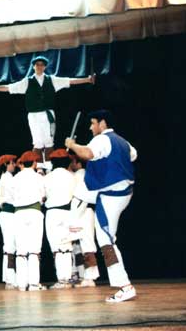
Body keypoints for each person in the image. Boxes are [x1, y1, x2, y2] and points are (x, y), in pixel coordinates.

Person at [65, 110, 137, 302]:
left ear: (102, 124)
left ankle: (125, 286)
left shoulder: (101, 140)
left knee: (105, 241)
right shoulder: (123, 142)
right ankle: (124, 285)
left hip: (110, 197)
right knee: (84, 195)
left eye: (92, 123)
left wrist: (72, 145)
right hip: (124, 193)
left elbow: (87, 153)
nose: (90, 127)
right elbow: (133, 156)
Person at [0, 55, 95, 160]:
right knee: (37, 143)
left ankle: (49, 166)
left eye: (42, 64)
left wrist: (87, 79)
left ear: (45, 67)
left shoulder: (52, 80)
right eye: (37, 64)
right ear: (33, 67)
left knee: (49, 142)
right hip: (34, 116)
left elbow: (70, 81)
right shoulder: (27, 82)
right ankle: (38, 169)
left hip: (48, 115)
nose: (39, 66)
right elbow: (9, 88)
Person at [11, 150, 46, 291]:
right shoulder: (38, 177)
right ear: (34, 163)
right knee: (34, 249)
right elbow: (44, 195)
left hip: (18, 214)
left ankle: (21, 284)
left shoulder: (15, 178)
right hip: (34, 212)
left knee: (20, 249)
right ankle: (33, 284)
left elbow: (12, 196)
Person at [43, 149, 76, 289]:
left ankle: (61, 279)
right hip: (68, 212)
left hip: (53, 213)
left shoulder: (48, 177)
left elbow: (42, 196)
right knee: (67, 246)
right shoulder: (72, 176)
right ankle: (66, 279)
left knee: (56, 247)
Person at [68, 157, 99, 288]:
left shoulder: (80, 175)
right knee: (84, 244)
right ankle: (86, 276)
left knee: (87, 244)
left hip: (83, 211)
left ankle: (90, 277)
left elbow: (80, 197)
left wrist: (74, 218)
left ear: (78, 163)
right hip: (85, 211)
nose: (71, 164)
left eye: (73, 162)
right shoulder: (85, 174)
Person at [0, 154, 17, 289]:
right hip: (8, 213)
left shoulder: (7, 178)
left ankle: (9, 277)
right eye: (12, 163)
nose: (14, 165)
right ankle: (10, 279)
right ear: (6, 164)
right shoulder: (8, 178)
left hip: (8, 214)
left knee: (9, 246)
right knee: (10, 246)